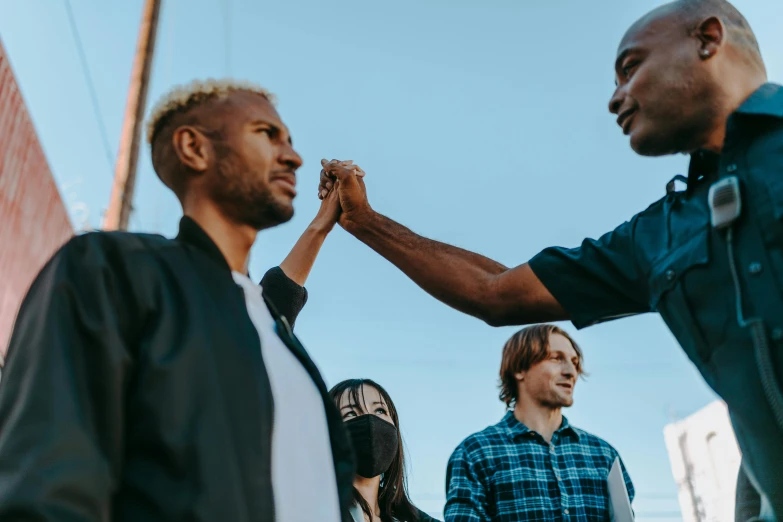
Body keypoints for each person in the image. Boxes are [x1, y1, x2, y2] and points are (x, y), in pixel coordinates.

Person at [318, 0, 783, 519]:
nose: (615, 99)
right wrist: (364, 220)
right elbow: (493, 289)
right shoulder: (660, 234)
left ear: (708, 39)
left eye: (630, 68)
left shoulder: (602, 456)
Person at [0, 79, 359, 522]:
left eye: (289, 140)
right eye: (266, 133)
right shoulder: (112, 272)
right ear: (194, 148)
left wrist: (325, 223)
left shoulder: (273, 332)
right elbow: (48, 483)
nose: (294, 157)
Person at [445, 325, 634, 521]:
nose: (571, 372)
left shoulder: (604, 455)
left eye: (574, 362)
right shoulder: (476, 452)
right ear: (519, 368)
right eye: (556, 358)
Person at [329, 379, 439, 522]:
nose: (370, 421)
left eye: (380, 411)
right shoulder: (314, 510)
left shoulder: (413, 518)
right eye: (350, 413)